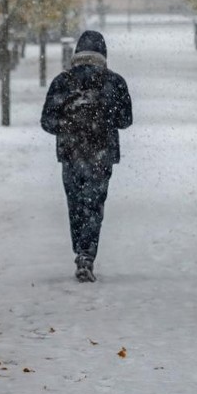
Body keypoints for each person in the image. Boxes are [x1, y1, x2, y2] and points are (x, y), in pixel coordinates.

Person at [40, 29, 132, 282]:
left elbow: (47, 122)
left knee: (76, 205)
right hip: (101, 156)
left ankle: (79, 251)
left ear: (76, 52)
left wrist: (70, 127)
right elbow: (126, 121)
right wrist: (103, 119)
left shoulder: (63, 81)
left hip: (70, 154)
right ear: (103, 53)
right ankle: (87, 255)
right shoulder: (114, 82)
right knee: (94, 205)